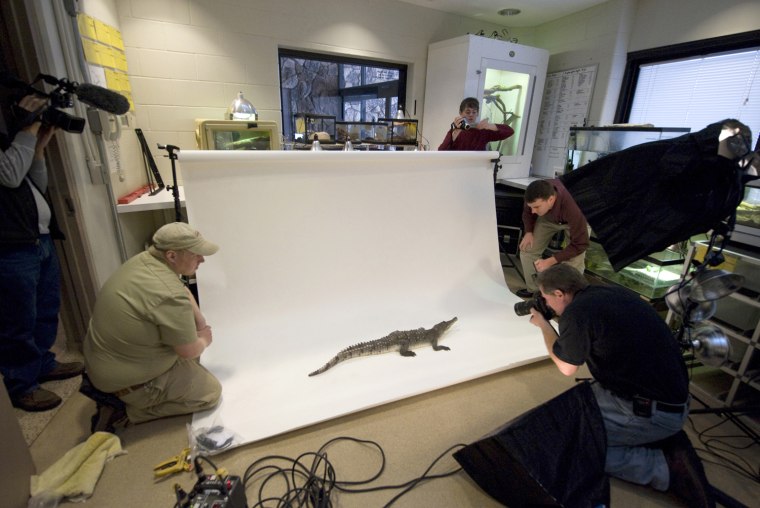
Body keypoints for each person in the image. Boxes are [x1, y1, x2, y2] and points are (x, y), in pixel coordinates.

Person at [528, 264, 713, 507]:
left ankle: (664, 468)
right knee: (572, 409)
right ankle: (656, 437)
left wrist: (543, 324)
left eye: (545, 297)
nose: (546, 303)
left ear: (560, 294)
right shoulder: (611, 292)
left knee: (571, 444)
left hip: (651, 410)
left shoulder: (577, 313)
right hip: (670, 399)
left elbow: (566, 366)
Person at [561, 119, 758, 271]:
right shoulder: (724, 142)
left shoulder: (730, 187)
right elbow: (674, 165)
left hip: (658, 202)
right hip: (643, 186)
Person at [83, 222, 222, 429]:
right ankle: (127, 412)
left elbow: (180, 289)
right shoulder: (169, 294)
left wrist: (200, 322)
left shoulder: (144, 261)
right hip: (128, 383)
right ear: (172, 256)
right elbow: (188, 351)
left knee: (193, 346)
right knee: (210, 393)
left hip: (102, 363)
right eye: (196, 254)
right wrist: (204, 339)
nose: (202, 259)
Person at [0, 94, 84, 412]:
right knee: (16, 319)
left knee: (46, 309)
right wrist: (28, 129)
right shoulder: (11, 145)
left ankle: (43, 364)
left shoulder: (12, 144)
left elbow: (35, 182)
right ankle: (21, 385)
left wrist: (38, 146)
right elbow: (8, 176)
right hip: (11, 245)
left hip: (40, 238)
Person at [516, 178, 589, 298]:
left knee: (575, 260)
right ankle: (537, 292)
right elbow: (528, 213)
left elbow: (581, 243)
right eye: (531, 207)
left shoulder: (573, 206)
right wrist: (528, 232)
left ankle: (568, 299)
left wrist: (551, 260)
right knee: (527, 249)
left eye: (537, 207)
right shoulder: (533, 194)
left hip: (576, 219)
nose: (533, 211)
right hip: (547, 217)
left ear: (550, 199)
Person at [438, 97, 514, 151]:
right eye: (468, 112)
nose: (471, 115)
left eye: (474, 112)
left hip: (477, 168)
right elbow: (441, 151)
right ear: (460, 113)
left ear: (477, 113)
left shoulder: (482, 131)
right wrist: (454, 135)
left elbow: (509, 131)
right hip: (457, 168)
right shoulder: (454, 130)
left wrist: (490, 126)